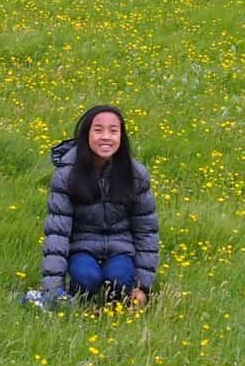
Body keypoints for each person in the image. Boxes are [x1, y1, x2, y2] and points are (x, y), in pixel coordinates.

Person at [36, 104, 159, 307]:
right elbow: (57, 232)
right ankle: (81, 298)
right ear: (86, 134)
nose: (106, 137)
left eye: (113, 131)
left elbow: (147, 230)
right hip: (82, 246)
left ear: (121, 136)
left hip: (121, 247)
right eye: (98, 129)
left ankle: (116, 303)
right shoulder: (66, 174)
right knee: (86, 277)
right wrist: (53, 288)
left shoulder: (136, 175)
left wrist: (143, 286)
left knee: (119, 278)